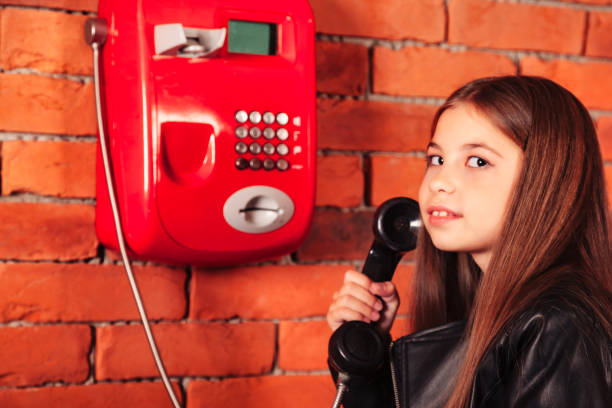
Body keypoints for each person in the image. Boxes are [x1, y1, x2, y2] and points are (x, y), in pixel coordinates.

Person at [326, 76, 612, 407]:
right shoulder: (495, 310)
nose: (441, 183)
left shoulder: (559, 329)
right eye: (437, 159)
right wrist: (366, 367)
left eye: (478, 161)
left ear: (547, 182)